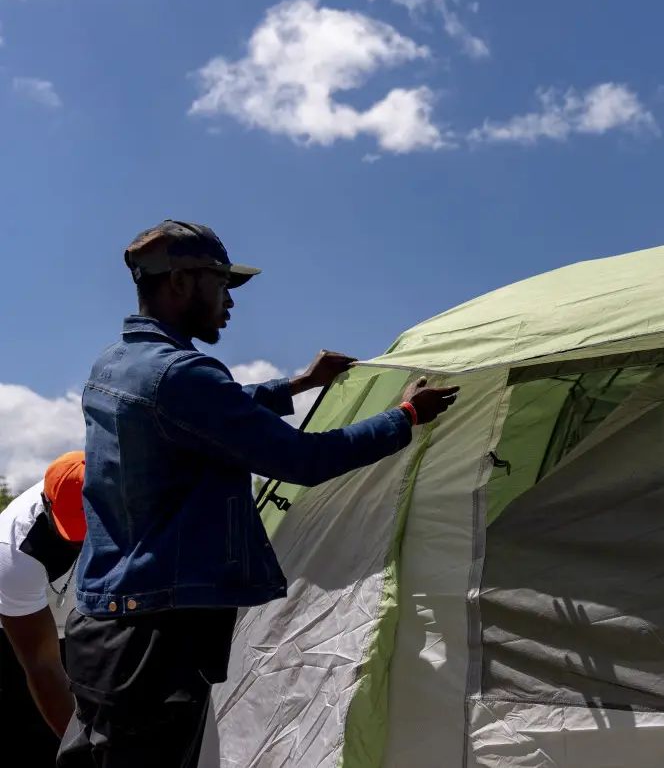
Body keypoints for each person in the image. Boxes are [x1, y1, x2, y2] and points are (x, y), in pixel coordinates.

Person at [58, 220, 460, 768]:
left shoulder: (119, 364)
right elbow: (305, 460)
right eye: (222, 283)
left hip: (107, 622)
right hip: (155, 639)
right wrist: (404, 417)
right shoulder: (182, 376)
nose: (229, 301)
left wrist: (294, 386)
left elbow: (204, 413)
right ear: (179, 282)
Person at [0, 452, 87, 763]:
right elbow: (42, 666)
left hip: (80, 622)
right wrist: (82, 751)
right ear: (47, 503)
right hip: (21, 636)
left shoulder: (133, 496)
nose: (81, 543)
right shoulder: (13, 553)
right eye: (72, 532)